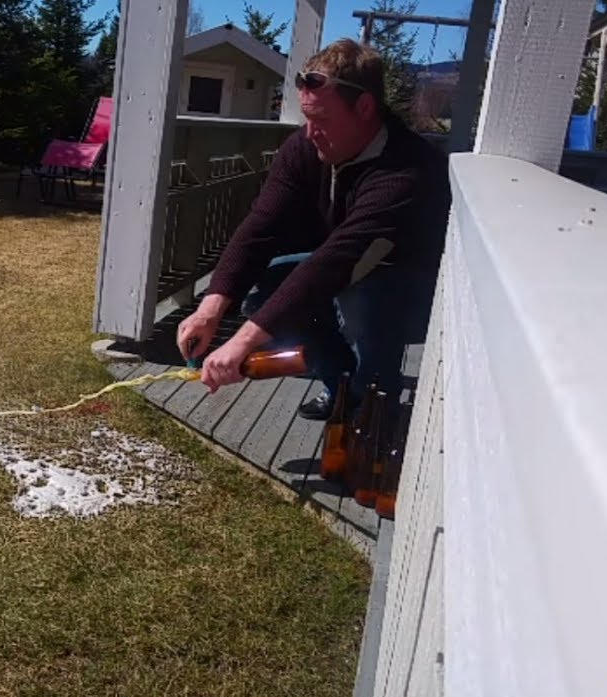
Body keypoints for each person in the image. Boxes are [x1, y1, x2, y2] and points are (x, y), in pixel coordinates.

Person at [175, 38, 451, 420]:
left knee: (363, 299)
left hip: (422, 295)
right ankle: (339, 385)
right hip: (350, 269)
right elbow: (261, 226)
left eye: (321, 120)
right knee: (265, 289)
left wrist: (241, 343)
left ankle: (373, 404)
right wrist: (211, 308)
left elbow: (335, 263)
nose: (308, 134)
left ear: (366, 108)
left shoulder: (408, 170)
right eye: (307, 119)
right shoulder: (305, 149)